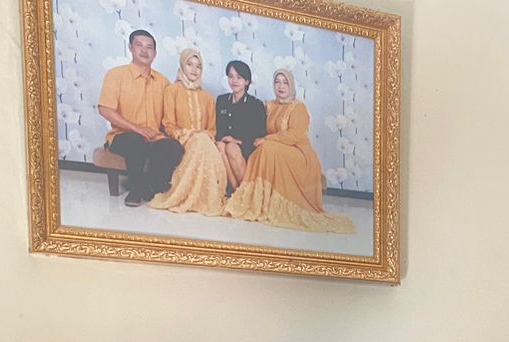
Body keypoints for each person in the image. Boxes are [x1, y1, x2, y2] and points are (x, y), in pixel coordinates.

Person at [222, 69, 355, 233]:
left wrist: (268, 139)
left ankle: (266, 200)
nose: (281, 86)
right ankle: (255, 199)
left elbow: (294, 135)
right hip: (273, 147)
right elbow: (256, 126)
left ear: (291, 85)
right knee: (260, 150)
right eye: (277, 82)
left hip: (297, 151)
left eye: (285, 82)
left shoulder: (298, 108)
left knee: (267, 148)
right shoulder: (270, 106)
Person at [97, 29, 185, 208]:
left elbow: (170, 114)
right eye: (139, 45)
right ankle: (137, 189)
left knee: (174, 147)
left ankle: (150, 187)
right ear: (130, 48)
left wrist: (180, 88)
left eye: (149, 47)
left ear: (155, 53)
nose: (144, 51)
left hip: (153, 137)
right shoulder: (115, 75)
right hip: (123, 136)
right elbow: (105, 109)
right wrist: (137, 129)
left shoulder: (163, 82)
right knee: (136, 142)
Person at [150, 49, 227, 217]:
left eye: (198, 66)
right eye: (190, 64)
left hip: (204, 141)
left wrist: (201, 135)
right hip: (182, 140)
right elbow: (168, 125)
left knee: (202, 141)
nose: (194, 69)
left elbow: (212, 129)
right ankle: (190, 196)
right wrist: (188, 134)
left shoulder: (207, 97)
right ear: (182, 66)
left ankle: (206, 197)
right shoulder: (172, 90)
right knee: (199, 141)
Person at [215, 59, 267, 194]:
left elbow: (260, 134)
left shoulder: (256, 104)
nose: (234, 81)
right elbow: (218, 128)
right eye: (231, 76)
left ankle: (248, 192)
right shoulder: (221, 101)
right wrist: (225, 139)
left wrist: (237, 141)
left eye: (239, 77)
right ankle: (236, 191)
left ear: (247, 81)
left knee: (231, 148)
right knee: (220, 145)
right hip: (225, 144)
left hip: (247, 147)